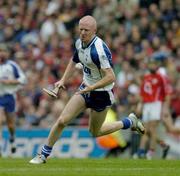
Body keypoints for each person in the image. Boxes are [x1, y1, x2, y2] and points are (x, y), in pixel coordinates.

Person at [29, 15, 145, 164]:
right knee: (62, 120)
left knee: (95, 132)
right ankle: (43, 155)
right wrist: (63, 80)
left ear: (94, 31)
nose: (83, 33)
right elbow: (74, 60)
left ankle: (129, 122)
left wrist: (93, 87)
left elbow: (111, 77)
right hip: (86, 88)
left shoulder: (99, 50)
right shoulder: (79, 42)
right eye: (81, 29)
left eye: (86, 30)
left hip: (102, 94)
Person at [134, 59, 171, 159]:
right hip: (147, 105)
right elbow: (142, 94)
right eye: (150, 64)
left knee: (152, 129)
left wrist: (165, 108)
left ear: (157, 66)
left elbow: (167, 93)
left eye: (153, 64)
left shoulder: (160, 77)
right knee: (145, 130)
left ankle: (150, 152)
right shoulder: (146, 77)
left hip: (156, 104)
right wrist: (139, 106)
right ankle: (144, 150)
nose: (152, 66)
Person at [0, 44, 27, 156]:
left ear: (7, 53)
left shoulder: (12, 65)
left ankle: (12, 139)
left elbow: (23, 79)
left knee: (10, 125)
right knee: (0, 120)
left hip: (9, 97)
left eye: (4, 51)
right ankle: (1, 148)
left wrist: (11, 81)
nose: (2, 53)